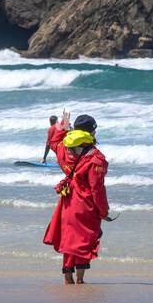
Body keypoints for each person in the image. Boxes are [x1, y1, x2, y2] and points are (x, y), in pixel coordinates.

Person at [43, 114, 110, 284]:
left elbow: (53, 142)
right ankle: (80, 280)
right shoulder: (96, 157)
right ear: (92, 132)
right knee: (84, 241)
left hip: (68, 200)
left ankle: (68, 279)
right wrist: (103, 211)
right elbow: (97, 189)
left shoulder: (63, 148)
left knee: (69, 240)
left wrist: (63, 125)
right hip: (85, 203)